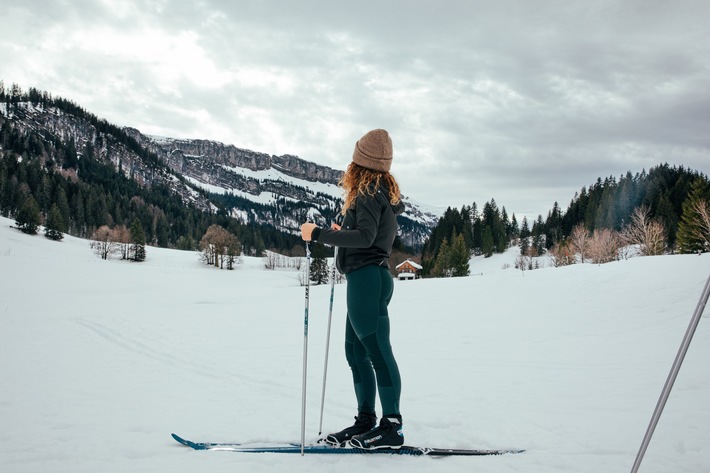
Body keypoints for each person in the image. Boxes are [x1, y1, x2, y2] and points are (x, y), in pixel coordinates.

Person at [301, 129, 406, 449]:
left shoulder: (367, 192)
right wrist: (341, 231)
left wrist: (318, 234)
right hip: (369, 278)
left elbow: (365, 237)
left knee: (376, 351)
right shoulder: (378, 192)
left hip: (367, 279)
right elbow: (365, 233)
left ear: (359, 161)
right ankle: (366, 421)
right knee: (356, 352)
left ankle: (391, 426)